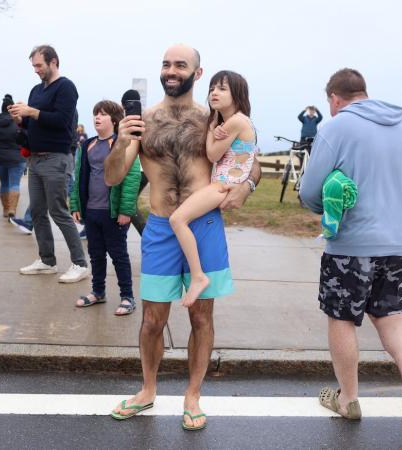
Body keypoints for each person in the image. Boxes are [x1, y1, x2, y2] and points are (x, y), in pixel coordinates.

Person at [105, 44, 260, 431]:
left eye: (180, 65)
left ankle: (193, 396)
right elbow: (112, 176)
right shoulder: (143, 120)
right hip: (160, 227)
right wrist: (121, 140)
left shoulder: (212, 117)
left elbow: (249, 156)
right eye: (166, 64)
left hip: (203, 224)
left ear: (198, 72)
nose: (171, 71)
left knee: (201, 315)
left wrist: (248, 186)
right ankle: (147, 390)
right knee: (152, 320)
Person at [299, 68, 402, 432]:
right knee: (392, 313)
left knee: (342, 318)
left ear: (334, 99)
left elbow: (309, 192)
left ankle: (348, 398)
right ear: (364, 91)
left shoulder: (337, 127)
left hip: (352, 243)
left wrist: (324, 207)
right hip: (401, 243)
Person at [169, 70, 257, 307]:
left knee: (177, 220)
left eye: (222, 88)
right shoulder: (229, 122)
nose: (214, 93)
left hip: (222, 187)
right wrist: (216, 127)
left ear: (237, 94)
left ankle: (198, 276)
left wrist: (211, 130)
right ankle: (197, 275)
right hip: (222, 184)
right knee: (180, 220)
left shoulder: (237, 120)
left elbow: (212, 153)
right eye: (212, 88)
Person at [8, 45, 89, 284]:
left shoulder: (66, 87)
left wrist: (32, 111)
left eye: (39, 65)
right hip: (36, 158)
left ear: (53, 62)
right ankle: (47, 260)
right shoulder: (36, 90)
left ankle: (80, 263)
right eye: (33, 66)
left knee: (58, 211)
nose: (36, 70)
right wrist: (20, 119)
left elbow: (62, 121)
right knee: (38, 212)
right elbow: (33, 125)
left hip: (56, 158)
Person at [71, 100, 141, 315]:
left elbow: (131, 177)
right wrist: (76, 204)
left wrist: (126, 210)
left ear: (114, 119)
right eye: (95, 113)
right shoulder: (87, 145)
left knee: (118, 255)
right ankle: (98, 292)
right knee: (96, 254)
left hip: (113, 213)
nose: (97, 118)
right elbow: (78, 176)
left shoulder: (123, 144)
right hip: (92, 210)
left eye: (102, 114)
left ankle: (127, 296)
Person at [0, 94, 26, 218]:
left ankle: (5, 209)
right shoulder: (17, 122)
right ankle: (12, 209)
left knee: (4, 183)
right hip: (17, 158)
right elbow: (24, 138)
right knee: (14, 183)